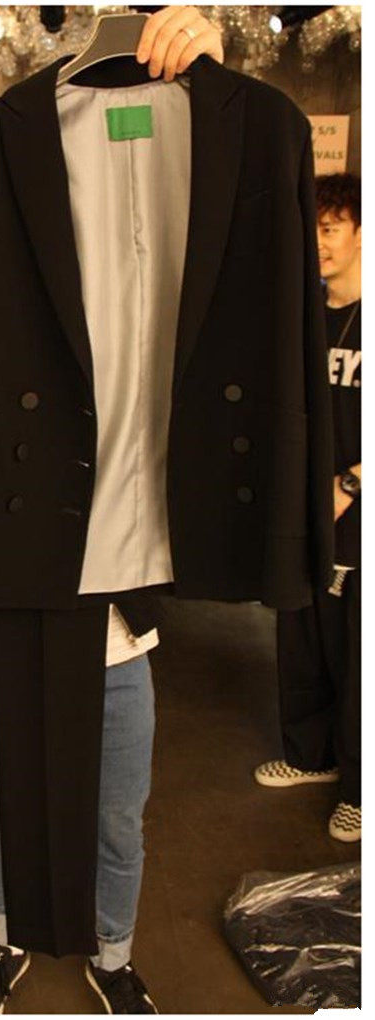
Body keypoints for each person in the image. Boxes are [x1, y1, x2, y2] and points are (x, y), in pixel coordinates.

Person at [0, 7, 225, 1015]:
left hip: (114, 619)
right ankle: (4, 943)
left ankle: (112, 955)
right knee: (0, 807)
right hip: (4, 606)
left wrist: (215, 71)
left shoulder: (210, 149)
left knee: (116, 813)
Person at [255, 172, 361, 844]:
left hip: (353, 507)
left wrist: (348, 484)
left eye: (330, 228)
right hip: (305, 510)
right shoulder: (309, 316)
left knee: (358, 653)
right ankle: (310, 755)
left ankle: (360, 788)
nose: (318, 242)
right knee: (303, 633)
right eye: (311, 229)